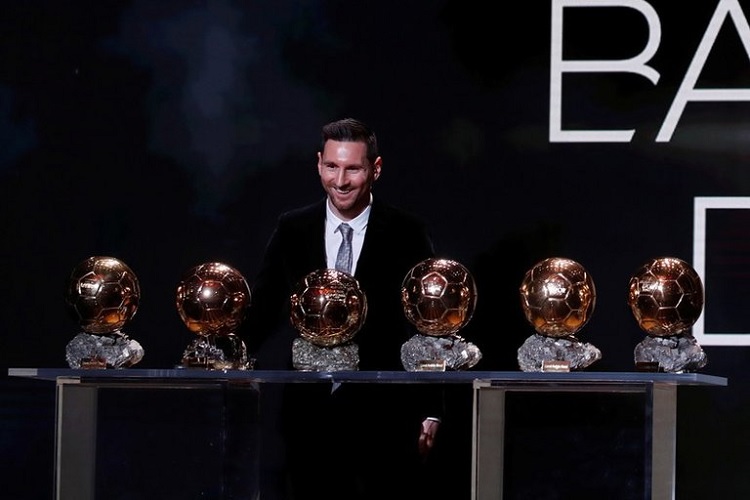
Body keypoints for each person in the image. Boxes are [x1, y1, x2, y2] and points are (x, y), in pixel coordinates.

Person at [243, 117, 442, 500]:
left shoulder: (406, 232)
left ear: (375, 169)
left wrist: (432, 408)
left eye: (353, 169)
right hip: (308, 412)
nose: (341, 180)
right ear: (319, 164)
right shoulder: (293, 229)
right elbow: (263, 310)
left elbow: (427, 325)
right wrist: (225, 359)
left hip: (384, 414)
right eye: (332, 166)